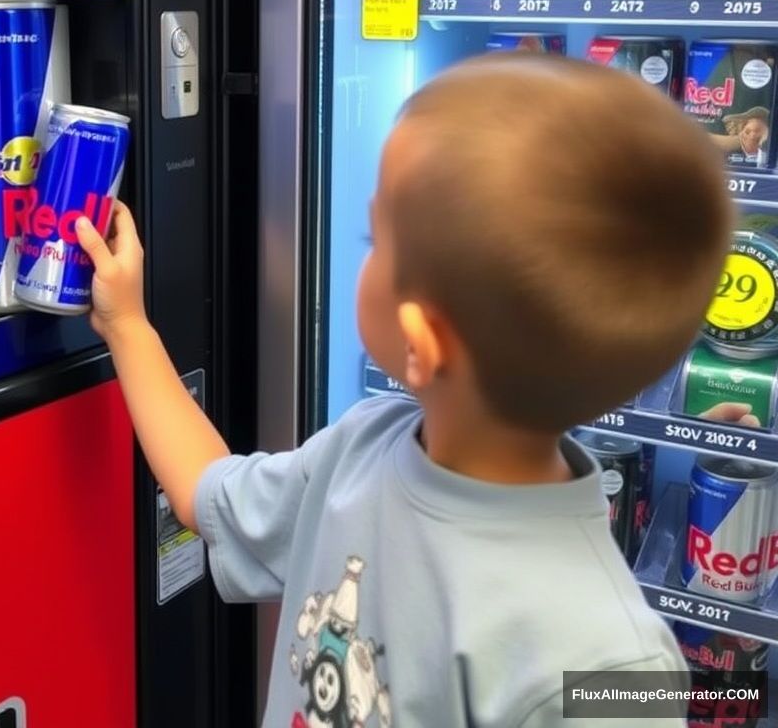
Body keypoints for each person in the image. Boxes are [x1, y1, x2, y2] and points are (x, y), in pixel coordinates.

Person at [75, 53, 732, 727]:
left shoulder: (620, 668)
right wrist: (128, 325)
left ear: (420, 342)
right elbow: (208, 493)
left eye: (373, 240)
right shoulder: (360, 446)